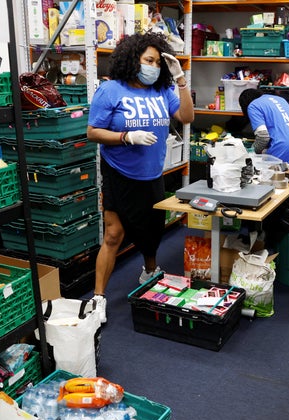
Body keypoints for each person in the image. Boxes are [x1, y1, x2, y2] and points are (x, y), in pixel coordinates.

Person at [87, 32, 194, 310]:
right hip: (119, 172)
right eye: (149, 60)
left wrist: (180, 79)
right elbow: (92, 132)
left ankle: (149, 271)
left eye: (159, 62)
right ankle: (98, 298)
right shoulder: (111, 90)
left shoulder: (162, 90)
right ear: (133, 58)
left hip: (152, 173)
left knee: (151, 233)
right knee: (114, 234)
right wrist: (126, 136)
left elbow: (186, 117)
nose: (154, 67)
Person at [238, 88, 289, 168]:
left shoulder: (253, 105)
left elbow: (263, 137)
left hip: (283, 151)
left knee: (267, 178)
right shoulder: (280, 100)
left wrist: (251, 153)